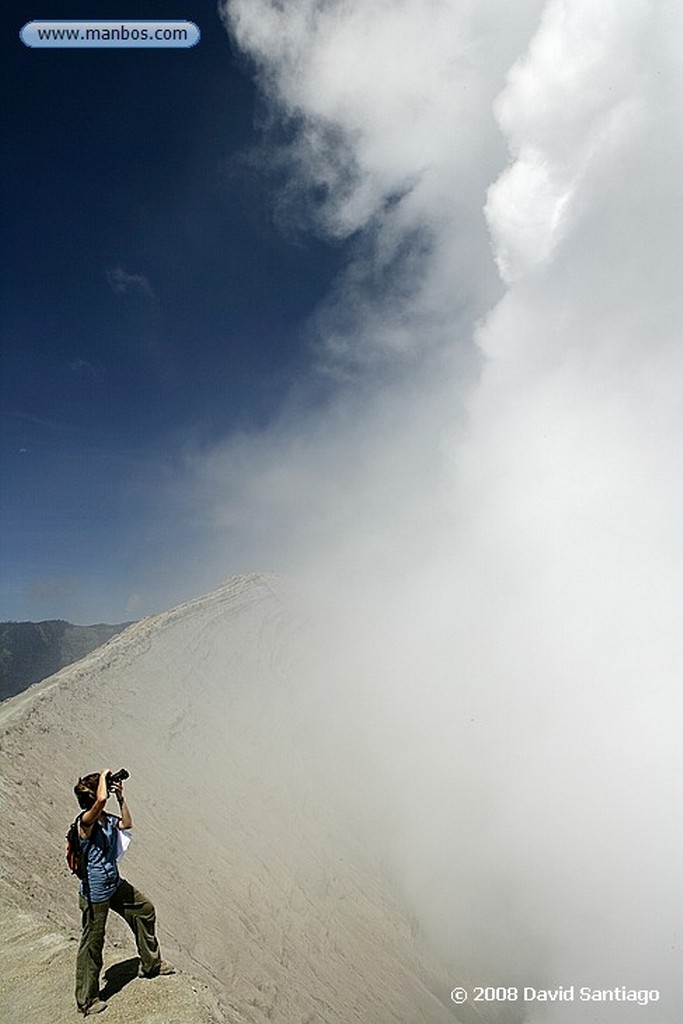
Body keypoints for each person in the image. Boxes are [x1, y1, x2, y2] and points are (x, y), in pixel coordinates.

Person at [73, 768, 175, 1015]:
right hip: (95, 892)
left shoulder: (106, 819)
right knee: (93, 944)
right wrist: (105, 773)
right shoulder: (84, 822)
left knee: (145, 909)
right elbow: (100, 801)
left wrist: (121, 798)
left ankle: (151, 964)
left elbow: (127, 823)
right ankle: (87, 1000)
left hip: (113, 884)